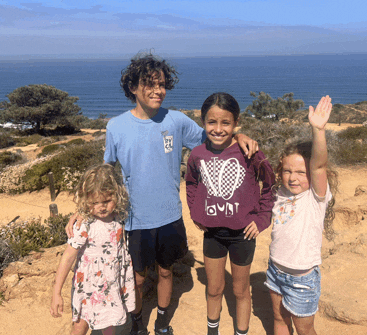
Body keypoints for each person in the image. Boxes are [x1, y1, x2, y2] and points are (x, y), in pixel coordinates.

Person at [66, 53, 259, 335]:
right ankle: (136, 322)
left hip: (169, 215)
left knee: (166, 271)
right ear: (133, 88)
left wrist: (239, 136)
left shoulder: (177, 121)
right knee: (139, 279)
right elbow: (104, 175)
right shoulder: (116, 127)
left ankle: (163, 323)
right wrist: (83, 209)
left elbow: (214, 137)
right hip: (135, 218)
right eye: (150, 84)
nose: (158, 90)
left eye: (162, 84)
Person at [185, 93, 275, 335]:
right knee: (214, 289)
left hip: (243, 235)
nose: (218, 129)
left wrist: (262, 218)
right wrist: (195, 212)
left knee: (240, 291)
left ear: (236, 123)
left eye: (226, 123)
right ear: (202, 122)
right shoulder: (197, 155)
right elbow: (191, 183)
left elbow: (270, 185)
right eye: (211, 122)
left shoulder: (249, 152)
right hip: (213, 234)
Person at [265, 96, 337, 335]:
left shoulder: (315, 198)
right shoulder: (280, 194)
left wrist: (318, 130)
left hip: (302, 279)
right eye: (287, 171)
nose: (292, 177)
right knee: (279, 319)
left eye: (300, 172)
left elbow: (318, 165)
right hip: (275, 271)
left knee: (304, 329)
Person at [50, 164, 135, 335]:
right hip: (89, 286)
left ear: (117, 195)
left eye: (106, 201)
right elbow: (67, 258)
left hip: (113, 281)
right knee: (81, 325)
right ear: (85, 200)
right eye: (94, 203)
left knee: (110, 320)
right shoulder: (84, 224)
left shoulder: (120, 216)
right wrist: (56, 292)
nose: (101, 207)